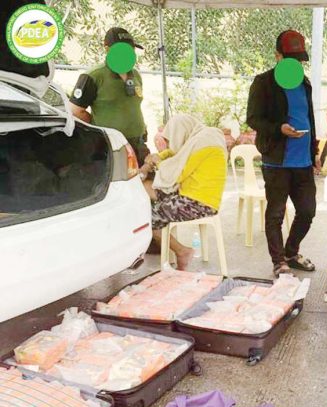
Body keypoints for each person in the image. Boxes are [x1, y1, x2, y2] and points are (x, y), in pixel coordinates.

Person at [246, 30, 321, 277]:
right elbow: (253, 119)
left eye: (299, 61)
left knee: (307, 210)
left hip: (303, 161)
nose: (296, 65)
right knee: (276, 213)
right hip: (277, 161)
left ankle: (291, 252)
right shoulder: (263, 83)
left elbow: (309, 118)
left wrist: (314, 152)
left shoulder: (305, 83)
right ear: (277, 55)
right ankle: (279, 261)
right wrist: (279, 129)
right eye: (290, 60)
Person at [140, 114, 227, 270]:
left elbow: (177, 174)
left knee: (147, 217)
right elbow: (175, 152)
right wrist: (157, 157)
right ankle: (173, 249)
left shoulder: (204, 144)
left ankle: (182, 251)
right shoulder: (199, 138)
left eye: (171, 138)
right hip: (189, 195)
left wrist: (157, 163)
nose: (170, 143)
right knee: (146, 187)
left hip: (199, 203)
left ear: (180, 132)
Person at [69, 27, 150, 166]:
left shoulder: (135, 75)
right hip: (110, 146)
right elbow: (75, 111)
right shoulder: (93, 76)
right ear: (107, 49)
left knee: (142, 181)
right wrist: (98, 125)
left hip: (138, 143)